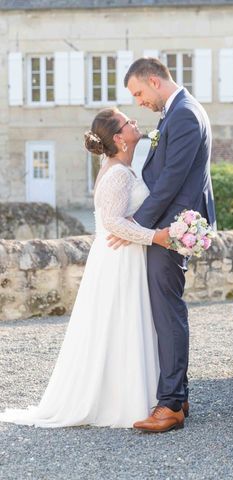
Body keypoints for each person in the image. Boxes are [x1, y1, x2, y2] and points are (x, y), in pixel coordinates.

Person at [0, 108, 171, 428]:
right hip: (118, 261)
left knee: (123, 325)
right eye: (128, 122)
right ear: (119, 138)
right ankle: (118, 402)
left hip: (123, 257)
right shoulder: (118, 172)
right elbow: (112, 222)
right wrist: (155, 237)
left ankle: (135, 393)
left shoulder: (121, 165)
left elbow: (123, 218)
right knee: (118, 325)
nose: (135, 122)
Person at [108, 58, 215, 433]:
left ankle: (170, 405)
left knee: (167, 313)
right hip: (169, 225)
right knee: (164, 310)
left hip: (170, 230)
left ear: (154, 81)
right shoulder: (179, 112)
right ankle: (178, 394)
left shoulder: (184, 114)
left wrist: (134, 225)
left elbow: (171, 181)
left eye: (139, 92)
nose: (138, 101)